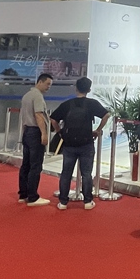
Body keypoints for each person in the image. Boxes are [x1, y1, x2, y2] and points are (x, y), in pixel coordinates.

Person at [50, 76, 109, 211]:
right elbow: (106, 115)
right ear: (89, 90)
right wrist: (98, 130)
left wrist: (60, 132)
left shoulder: (67, 104)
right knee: (86, 173)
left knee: (66, 173)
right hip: (86, 143)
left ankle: (63, 202)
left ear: (76, 88)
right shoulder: (92, 103)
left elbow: (53, 119)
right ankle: (87, 201)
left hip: (69, 144)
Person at [18, 73, 53, 206]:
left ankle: (23, 194)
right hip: (35, 132)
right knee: (35, 165)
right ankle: (33, 197)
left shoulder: (27, 95)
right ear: (40, 82)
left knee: (26, 165)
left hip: (27, 131)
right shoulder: (37, 96)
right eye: (47, 84)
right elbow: (38, 115)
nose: (49, 87)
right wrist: (44, 134)